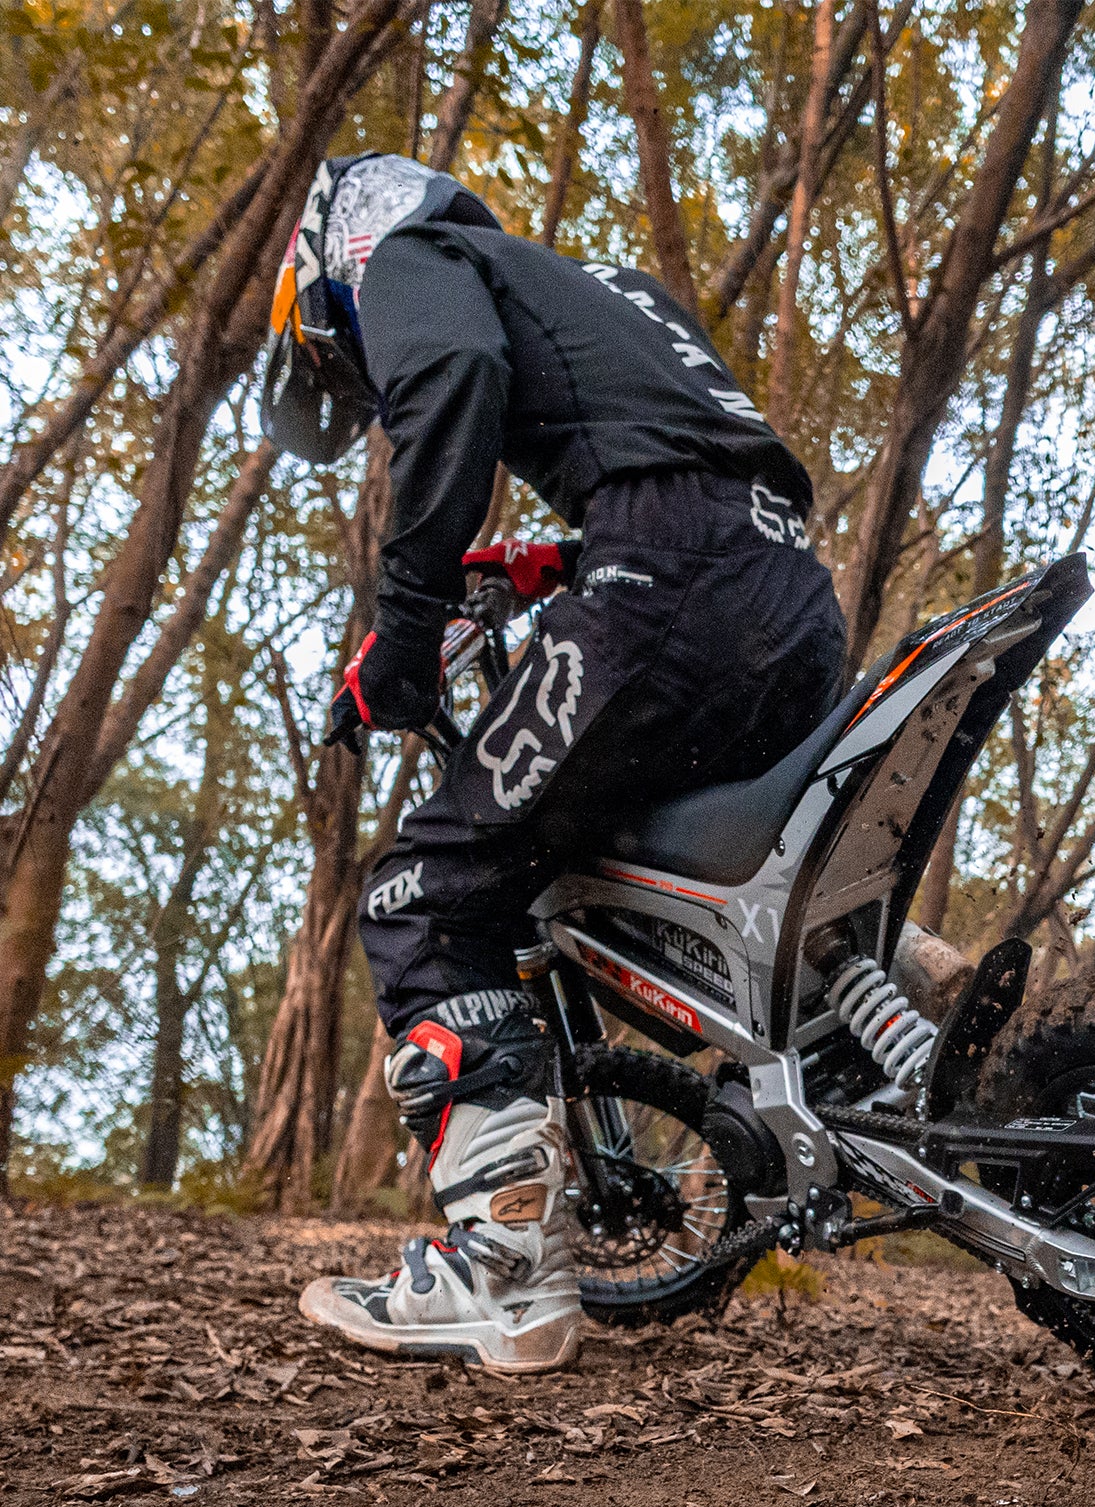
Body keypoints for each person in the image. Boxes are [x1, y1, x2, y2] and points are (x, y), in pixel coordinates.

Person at [259, 153, 845, 1372]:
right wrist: (562, 567)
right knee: (645, 859)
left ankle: (503, 1272)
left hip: (668, 580)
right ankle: (904, 1040)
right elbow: (693, 468)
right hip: (790, 600)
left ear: (330, 265)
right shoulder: (605, 291)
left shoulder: (413, 253)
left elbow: (455, 376)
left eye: (342, 358)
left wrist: (405, 632)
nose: (359, 380)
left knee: (426, 899)